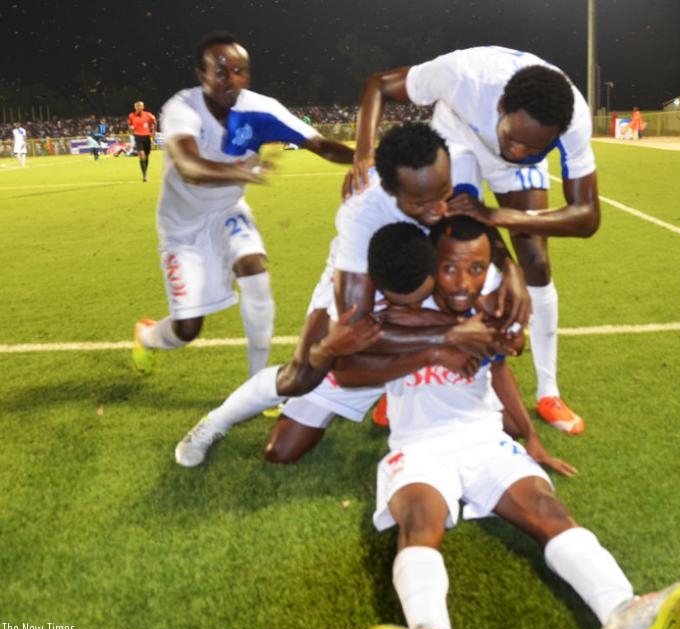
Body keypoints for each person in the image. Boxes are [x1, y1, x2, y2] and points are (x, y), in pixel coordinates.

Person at [331, 216, 680, 629]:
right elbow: (348, 371)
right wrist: (439, 351)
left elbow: (499, 373)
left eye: (476, 269)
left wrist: (530, 436)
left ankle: (624, 613)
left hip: (484, 439)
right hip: (418, 445)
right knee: (421, 521)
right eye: (449, 268)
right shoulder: (401, 306)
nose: (463, 282)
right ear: (430, 265)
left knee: (547, 509)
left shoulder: (491, 313)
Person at [174, 123, 527, 468]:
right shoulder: (362, 211)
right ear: (390, 190)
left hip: (436, 273)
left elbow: (475, 227)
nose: (438, 210)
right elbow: (357, 328)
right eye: (420, 202)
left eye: (443, 193)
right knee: (301, 382)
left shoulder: (462, 161)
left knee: (503, 379)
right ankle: (217, 421)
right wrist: (447, 336)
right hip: (365, 281)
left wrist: (511, 271)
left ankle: (408, 392)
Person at [349, 46, 601, 435]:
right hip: (456, 142)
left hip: (509, 173)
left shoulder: (572, 119)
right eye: (514, 138)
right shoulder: (465, 75)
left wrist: (497, 217)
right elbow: (378, 85)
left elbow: (587, 216)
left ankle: (548, 392)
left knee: (536, 262)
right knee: (445, 255)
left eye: (535, 147)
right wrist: (363, 154)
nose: (518, 152)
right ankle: (408, 381)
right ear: (500, 105)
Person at [132, 32, 355, 381]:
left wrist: (370, 159)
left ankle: (258, 385)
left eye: (240, 71)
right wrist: (237, 170)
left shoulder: (261, 109)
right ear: (201, 74)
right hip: (182, 227)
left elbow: (322, 145)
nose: (232, 80)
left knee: (255, 273)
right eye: (221, 71)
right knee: (187, 329)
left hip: (227, 211)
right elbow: (190, 168)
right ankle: (146, 335)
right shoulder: (181, 108)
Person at [127, 101, 158, 181]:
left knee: (146, 156)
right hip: (138, 136)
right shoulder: (131, 115)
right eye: (137, 106)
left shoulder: (148, 115)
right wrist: (131, 128)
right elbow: (129, 126)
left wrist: (154, 132)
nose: (139, 107)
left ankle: (145, 171)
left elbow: (154, 122)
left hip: (147, 137)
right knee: (141, 155)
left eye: (140, 106)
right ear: (135, 107)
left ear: (143, 107)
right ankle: (144, 175)